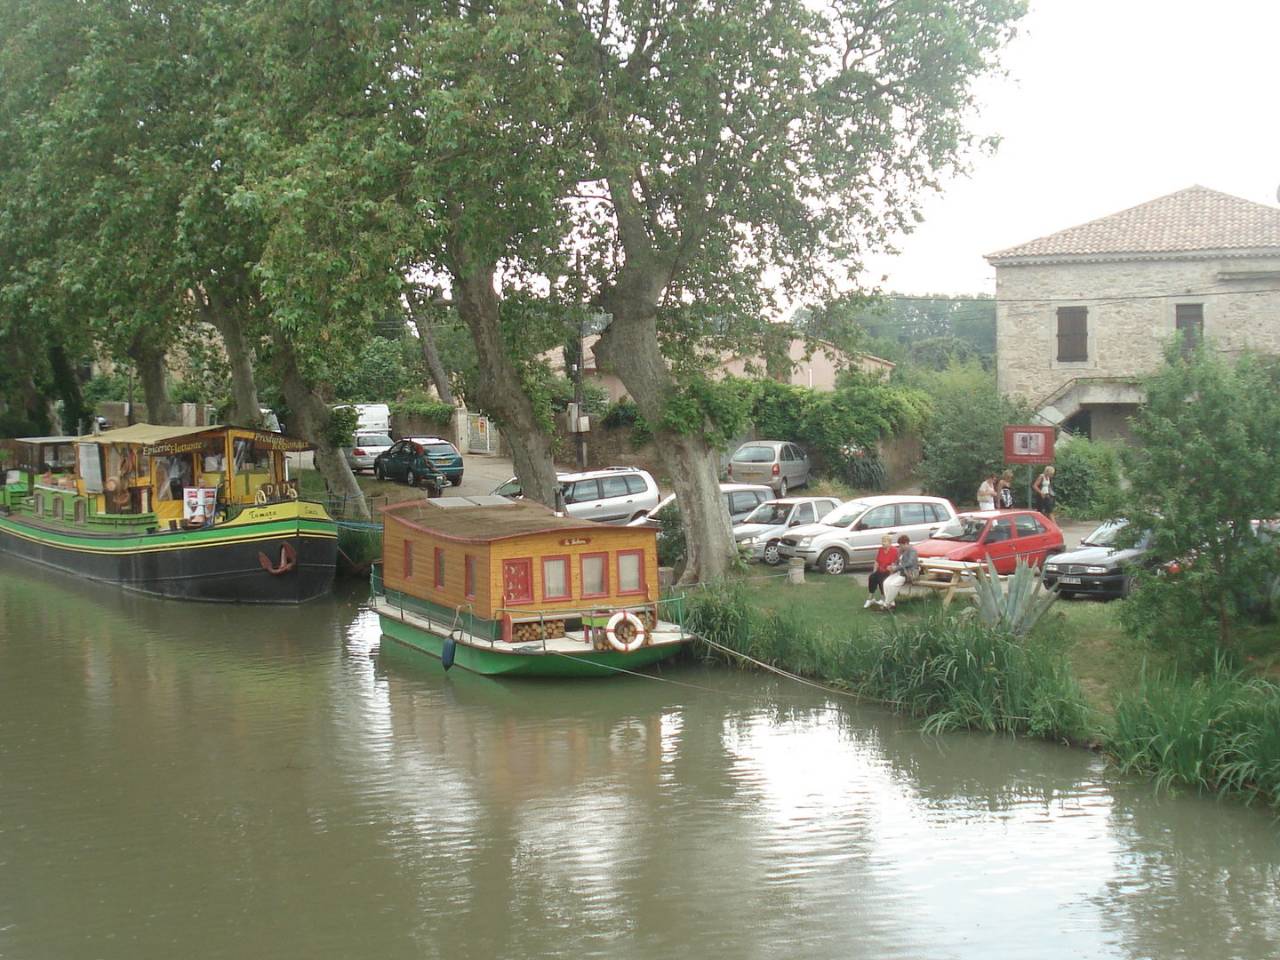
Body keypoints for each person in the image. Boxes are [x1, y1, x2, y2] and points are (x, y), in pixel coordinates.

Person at [882, 534, 920, 611]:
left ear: (906, 543)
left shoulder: (912, 551)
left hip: (909, 573)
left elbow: (909, 563)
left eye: (902, 545)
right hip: (900, 572)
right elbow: (897, 561)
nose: (900, 547)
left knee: (893, 584)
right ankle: (891, 604)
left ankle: (886, 604)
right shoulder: (900, 551)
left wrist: (897, 567)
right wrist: (892, 566)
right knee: (886, 583)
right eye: (900, 545)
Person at [865, 533, 898, 609]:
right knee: (872, 577)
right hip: (880, 570)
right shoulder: (880, 549)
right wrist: (874, 571)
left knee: (882, 579)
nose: (883, 543)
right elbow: (876, 561)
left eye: (885, 541)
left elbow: (893, 564)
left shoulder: (894, 551)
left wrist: (891, 576)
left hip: (888, 571)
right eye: (882, 541)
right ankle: (870, 598)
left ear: (889, 543)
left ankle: (884, 598)